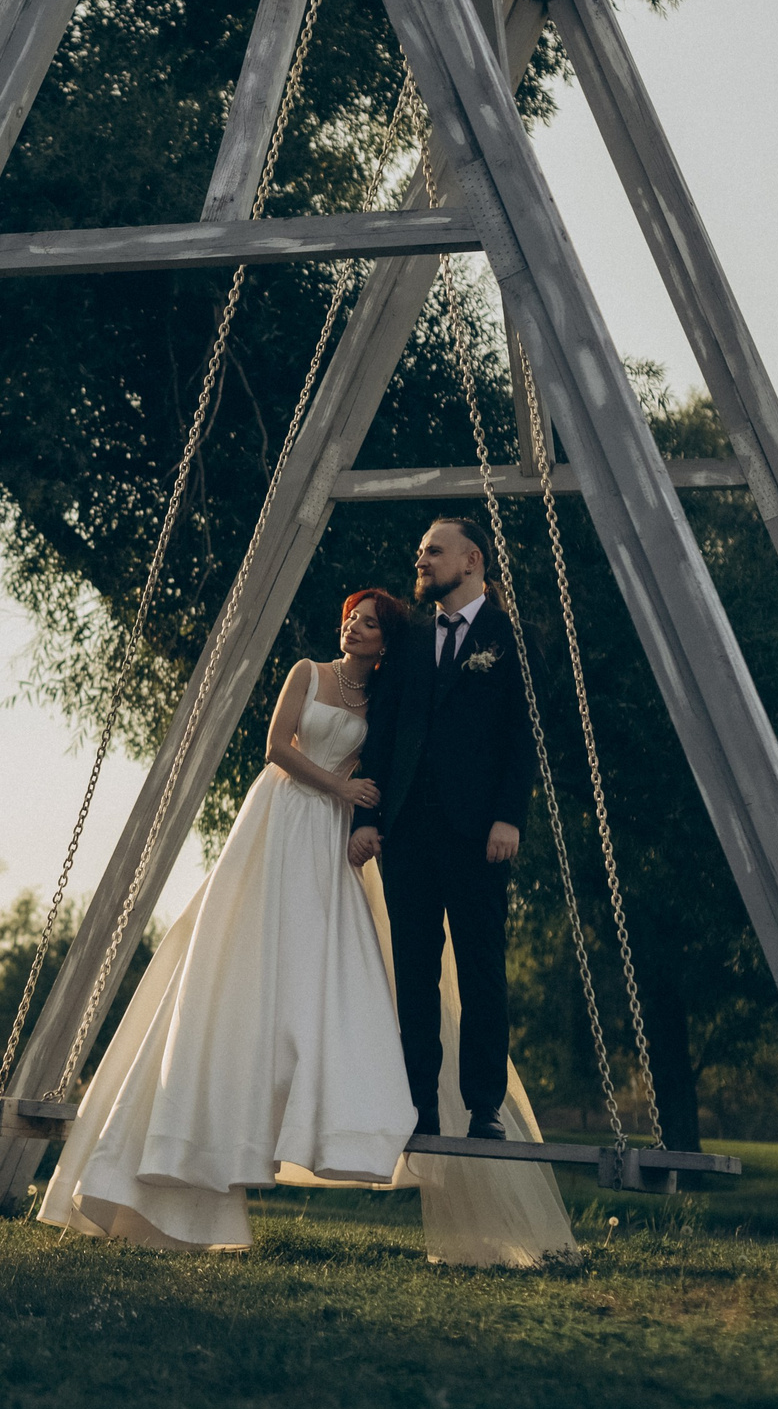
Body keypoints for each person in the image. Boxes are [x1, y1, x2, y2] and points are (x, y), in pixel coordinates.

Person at [37, 590, 416, 1252]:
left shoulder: (382, 701)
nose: (355, 626)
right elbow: (277, 747)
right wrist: (339, 787)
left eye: (370, 622)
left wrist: (363, 814)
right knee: (246, 944)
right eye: (352, 616)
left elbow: (381, 768)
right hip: (285, 811)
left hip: (329, 832)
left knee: (324, 961)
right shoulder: (309, 672)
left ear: (387, 641)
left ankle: (326, 1104)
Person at [346, 518, 533, 1141]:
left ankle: (484, 1107)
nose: (420, 560)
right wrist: (367, 819)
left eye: (432, 551)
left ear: (471, 559)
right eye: (420, 550)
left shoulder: (512, 637)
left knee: (482, 968)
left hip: (481, 834)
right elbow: (383, 735)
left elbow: (521, 735)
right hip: (409, 837)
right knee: (415, 972)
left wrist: (509, 815)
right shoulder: (411, 639)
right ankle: (418, 1107)